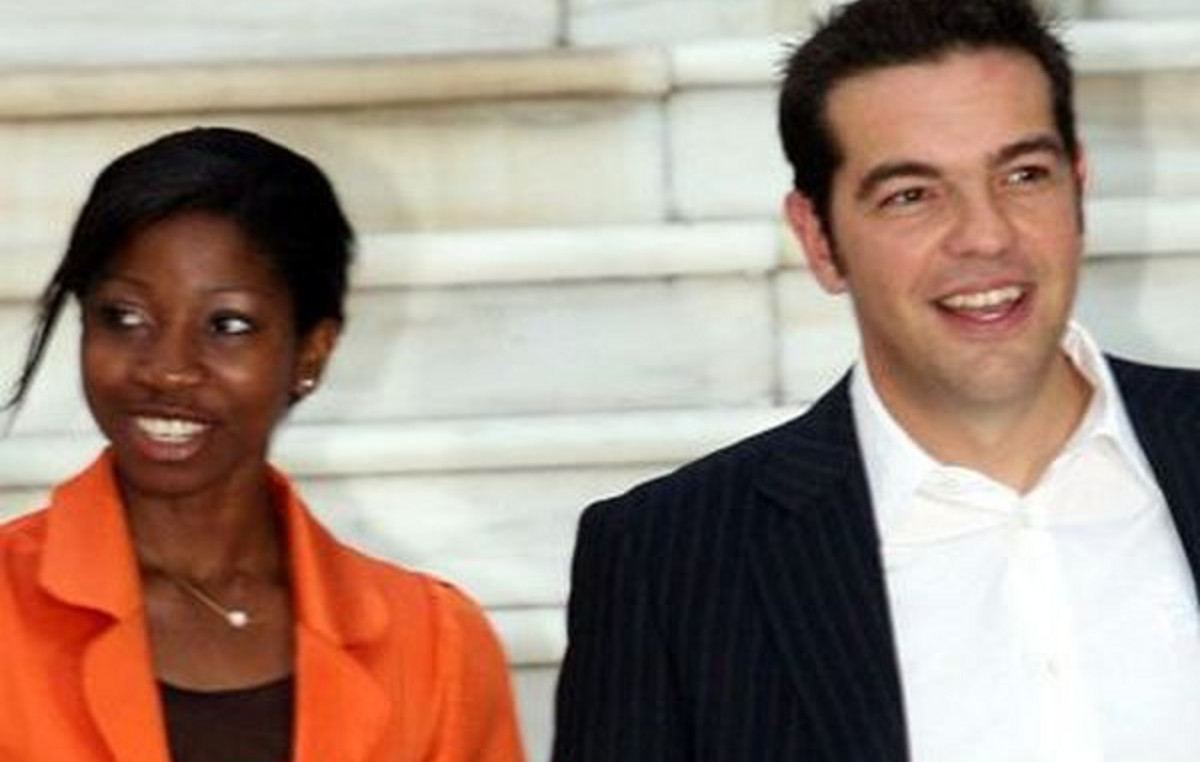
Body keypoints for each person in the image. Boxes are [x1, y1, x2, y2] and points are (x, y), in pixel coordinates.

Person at [551, 0, 1200, 759]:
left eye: (1023, 175)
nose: (986, 235)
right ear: (819, 240)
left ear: (1078, 186)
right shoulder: (669, 564)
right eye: (911, 195)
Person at [0, 127, 526, 762]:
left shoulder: (434, 646)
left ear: (312, 352)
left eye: (228, 325)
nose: (167, 369)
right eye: (126, 317)